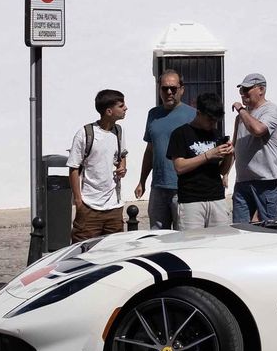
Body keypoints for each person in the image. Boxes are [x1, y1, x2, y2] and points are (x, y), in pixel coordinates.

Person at [134, 71, 197, 229]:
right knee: (156, 236)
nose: (169, 92)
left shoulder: (193, 116)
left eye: (173, 88)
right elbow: (150, 150)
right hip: (158, 188)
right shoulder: (153, 114)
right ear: (159, 89)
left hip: (183, 189)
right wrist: (142, 181)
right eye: (164, 88)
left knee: (184, 236)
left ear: (182, 89)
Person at [67, 89, 128, 242]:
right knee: (84, 251)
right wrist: (78, 201)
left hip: (114, 207)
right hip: (90, 206)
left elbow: (122, 155)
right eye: (121, 106)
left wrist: (122, 167)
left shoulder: (118, 131)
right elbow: (73, 168)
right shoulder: (85, 134)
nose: (125, 108)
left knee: (114, 250)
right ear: (109, 111)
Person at [169, 92, 233, 228]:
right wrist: (207, 155)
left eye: (216, 120)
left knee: (221, 238)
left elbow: (222, 171)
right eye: (210, 120)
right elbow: (179, 167)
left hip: (217, 197)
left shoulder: (216, 134)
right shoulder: (180, 133)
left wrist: (230, 155)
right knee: (192, 240)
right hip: (191, 200)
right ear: (199, 113)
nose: (213, 123)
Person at [231, 73, 277, 224]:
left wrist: (241, 110)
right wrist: (225, 174)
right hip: (242, 181)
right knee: (239, 229)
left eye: (246, 90)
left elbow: (258, 130)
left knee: (269, 228)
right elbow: (235, 146)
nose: (243, 94)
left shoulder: (270, 110)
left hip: (265, 181)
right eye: (241, 90)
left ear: (261, 89)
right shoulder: (241, 116)